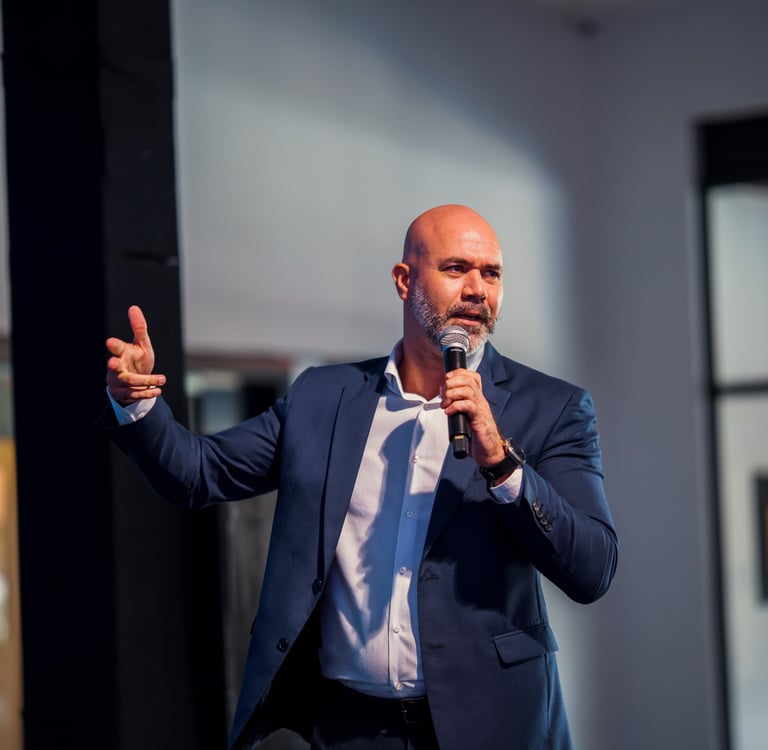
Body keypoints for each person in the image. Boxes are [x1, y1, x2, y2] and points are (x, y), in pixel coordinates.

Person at [102, 204, 618, 750]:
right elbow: (197, 474)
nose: (476, 289)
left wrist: (503, 464)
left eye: (491, 273)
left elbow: (592, 570)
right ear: (404, 280)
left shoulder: (552, 407)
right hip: (349, 729)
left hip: (492, 726)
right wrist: (138, 405)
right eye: (456, 268)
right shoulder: (324, 397)